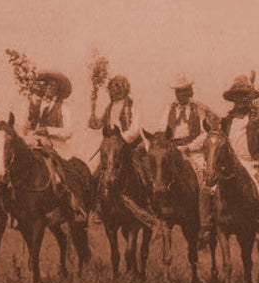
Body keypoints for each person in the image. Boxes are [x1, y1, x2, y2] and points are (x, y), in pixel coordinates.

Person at [221, 75, 259, 249]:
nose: (241, 100)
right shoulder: (226, 120)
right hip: (231, 166)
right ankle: (208, 227)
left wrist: (258, 127)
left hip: (253, 165)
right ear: (233, 99)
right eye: (237, 96)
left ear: (250, 98)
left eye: (244, 96)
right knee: (209, 190)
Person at [88, 73, 157, 227]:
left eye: (119, 87)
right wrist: (92, 105)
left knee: (146, 173)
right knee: (97, 175)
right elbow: (96, 124)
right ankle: (99, 207)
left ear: (125, 88)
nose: (116, 90)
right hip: (112, 147)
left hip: (132, 145)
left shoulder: (133, 104)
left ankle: (150, 205)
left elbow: (135, 128)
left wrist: (120, 140)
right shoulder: (109, 107)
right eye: (113, 87)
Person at [21, 70, 87, 222]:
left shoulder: (64, 106)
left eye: (53, 86)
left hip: (57, 147)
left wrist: (49, 130)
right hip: (36, 144)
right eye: (47, 85)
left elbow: (68, 131)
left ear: (58, 89)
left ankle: (77, 207)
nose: (49, 88)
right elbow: (28, 127)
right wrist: (29, 125)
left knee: (69, 174)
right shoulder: (36, 104)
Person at [161, 75, 219, 241]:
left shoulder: (199, 108)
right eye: (179, 92)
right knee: (160, 177)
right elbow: (161, 128)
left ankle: (205, 221)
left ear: (190, 91)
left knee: (204, 183)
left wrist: (188, 147)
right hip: (174, 152)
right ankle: (161, 217)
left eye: (185, 91)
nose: (181, 95)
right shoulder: (169, 109)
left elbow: (204, 133)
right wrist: (170, 148)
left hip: (194, 152)